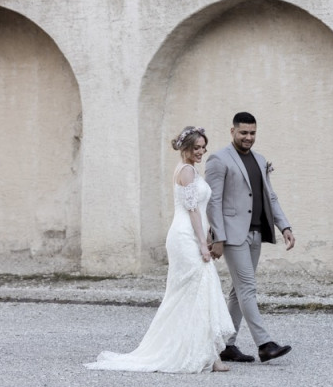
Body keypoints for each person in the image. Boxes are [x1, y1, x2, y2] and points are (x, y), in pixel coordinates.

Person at [85, 126, 234, 373]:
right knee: (192, 291)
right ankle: (199, 353)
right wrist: (201, 243)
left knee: (202, 290)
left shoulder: (192, 170)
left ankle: (209, 353)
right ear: (185, 148)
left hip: (192, 233)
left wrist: (208, 234)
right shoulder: (186, 171)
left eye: (203, 147)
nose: (201, 152)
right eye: (196, 148)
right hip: (185, 237)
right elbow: (193, 210)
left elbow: (200, 208)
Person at [206, 112, 295, 363]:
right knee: (247, 288)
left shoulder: (259, 159)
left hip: (256, 233)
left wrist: (284, 226)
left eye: (252, 133)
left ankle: (226, 346)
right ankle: (265, 344)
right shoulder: (218, 159)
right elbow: (213, 202)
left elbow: (271, 197)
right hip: (232, 236)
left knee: (238, 291)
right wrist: (218, 237)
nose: (248, 137)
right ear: (232, 131)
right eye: (243, 132)